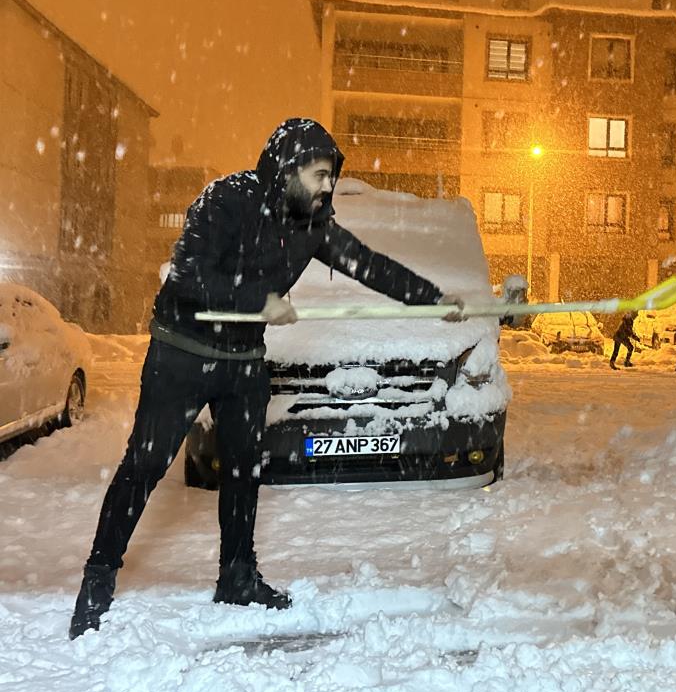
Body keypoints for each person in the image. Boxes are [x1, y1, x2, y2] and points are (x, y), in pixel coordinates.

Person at [69, 118, 464, 639]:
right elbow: (188, 277)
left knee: (242, 471)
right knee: (144, 465)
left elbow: (367, 264)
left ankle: (237, 576)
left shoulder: (313, 223)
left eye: (331, 177)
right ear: (289, 167)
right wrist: (258, 300)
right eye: (320, 175)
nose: (328, 187)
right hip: (182, 354)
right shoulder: (227, 199)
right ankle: (98, 579)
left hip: (244, 362)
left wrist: (432, 299)